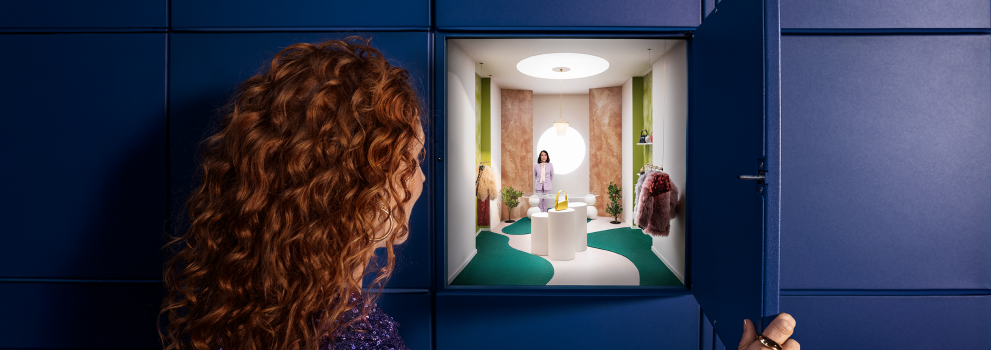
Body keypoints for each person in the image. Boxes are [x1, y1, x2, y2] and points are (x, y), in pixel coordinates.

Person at [159, 37, 424, 350]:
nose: (420, 177)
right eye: (415, 159)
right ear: (367, 188)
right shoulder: (355, 336)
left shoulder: (240, 311)